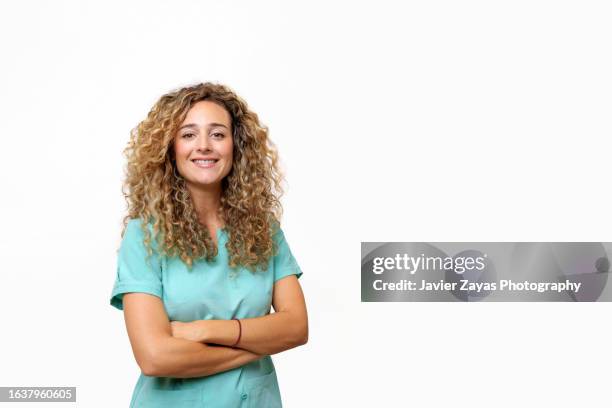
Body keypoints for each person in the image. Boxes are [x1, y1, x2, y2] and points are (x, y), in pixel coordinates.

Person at [109, 82, 308, 407]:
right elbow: (155, 357)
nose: (204, 146)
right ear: (169, 148)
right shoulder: (143, 235)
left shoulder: (264, 230)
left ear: (236, 145)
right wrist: (258, 341)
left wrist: (206, 330)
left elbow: (296, 326)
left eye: (217, 134)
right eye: (188, 134)